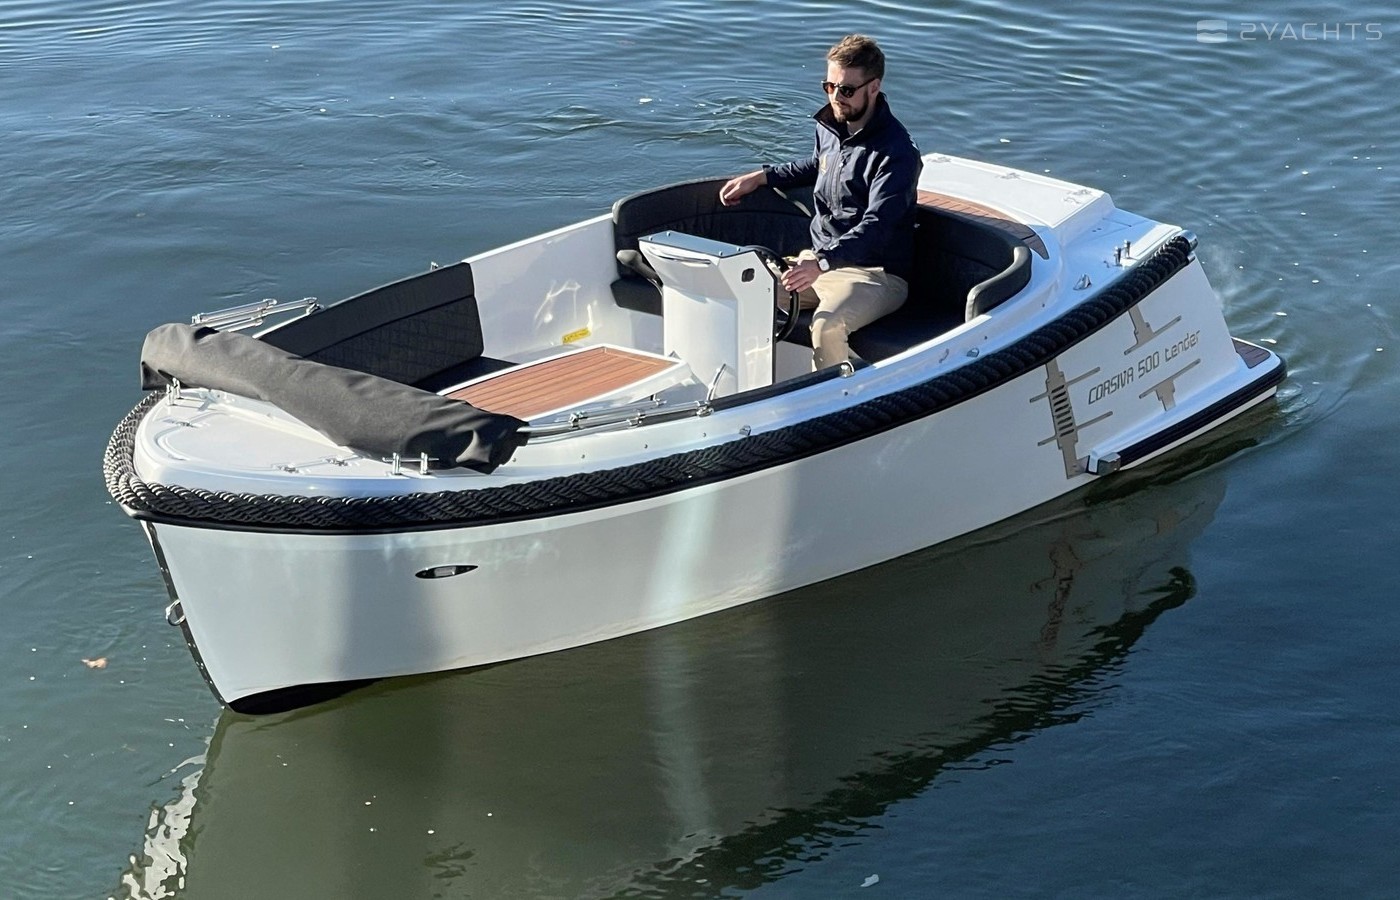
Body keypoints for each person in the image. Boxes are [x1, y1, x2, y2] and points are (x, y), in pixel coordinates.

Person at [719, 34, 922, 370]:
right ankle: (749, 384)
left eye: (846, 90)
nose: (835, 97)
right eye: (829, 86)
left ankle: (842, 397)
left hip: (874, 274)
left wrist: (822, 262)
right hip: (819, 260)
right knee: (743, 289)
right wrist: (762, 177)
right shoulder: (831, 127)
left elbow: (879, 225)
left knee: (827, 327)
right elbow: (818, 165)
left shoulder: (896, 153)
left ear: (874, 87)